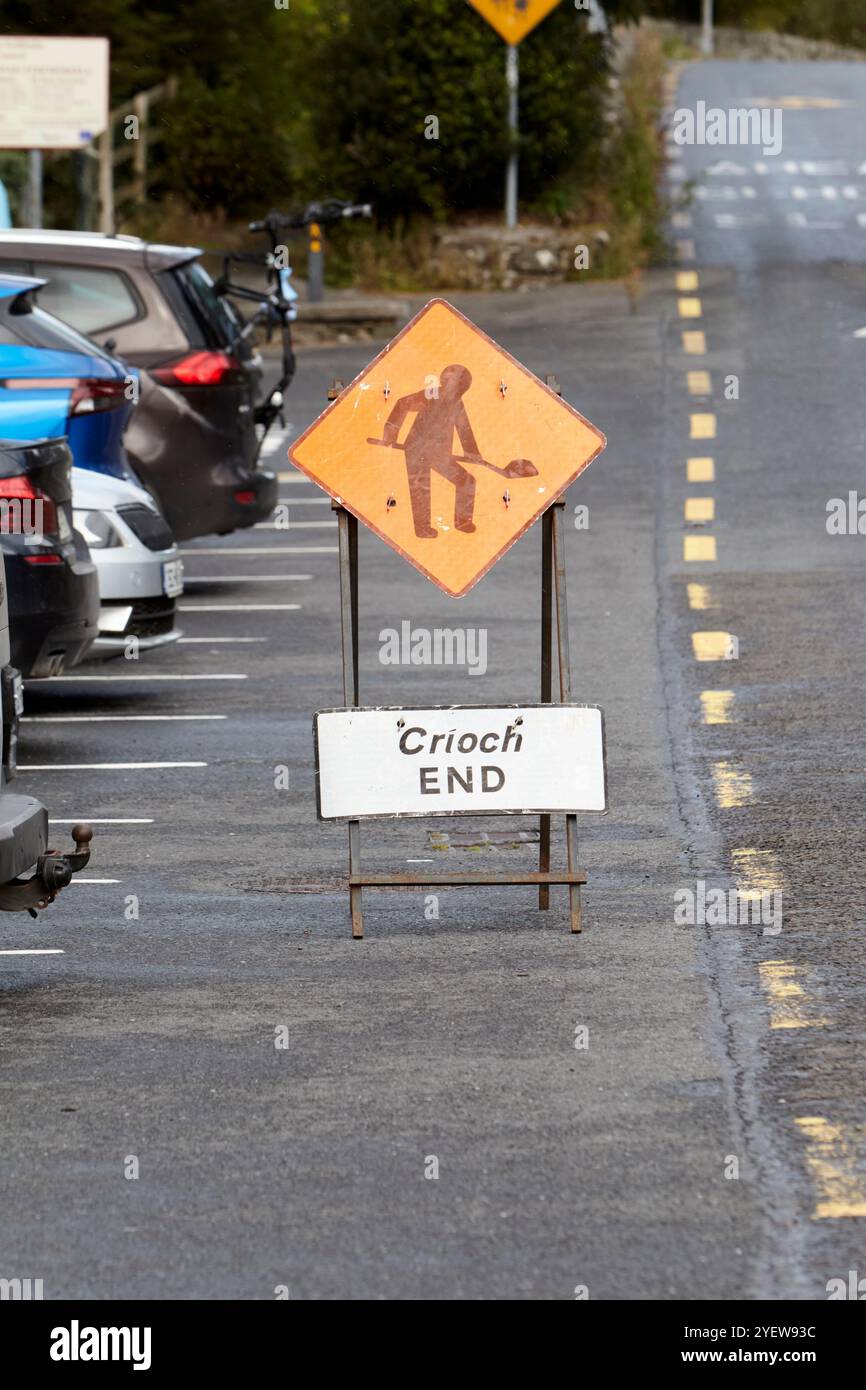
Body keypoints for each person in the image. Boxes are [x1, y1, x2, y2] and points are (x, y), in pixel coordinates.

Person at [380, 364, 480, 538]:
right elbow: (403, 404)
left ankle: (462, 521)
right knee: (420, 486)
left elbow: (464, 429)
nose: (447, 383)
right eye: (446, 379)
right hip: (417, 449)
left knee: (467, 481)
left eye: (453, 380)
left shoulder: (457, 403)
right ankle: (422, 528)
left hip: (439, 453)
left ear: (462, 386)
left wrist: (472, 453)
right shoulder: (431, 394)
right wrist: (390, 434)